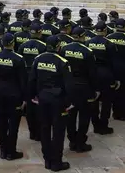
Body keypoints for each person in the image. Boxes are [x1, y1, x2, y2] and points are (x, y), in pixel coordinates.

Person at [29, 32, 75, 172]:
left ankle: (47, 159)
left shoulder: (38, 59)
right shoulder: (63, 62)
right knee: (58, 131)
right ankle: (56, 162)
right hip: (57, 100)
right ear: (58, 46)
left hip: (42, 98)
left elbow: (32, 79)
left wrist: (33, 96)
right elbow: (69, 85)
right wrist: (68, 103)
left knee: (44, 129)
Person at [60, 27, 98, 153]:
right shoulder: (88, 51)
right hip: (84, 87)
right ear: (83, 36)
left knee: (70, 115)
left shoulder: (64, 49)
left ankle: (72, 140)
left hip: (69, 86)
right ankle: (80, 142)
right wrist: (95, 89)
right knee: (84, 115)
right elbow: (92, 73)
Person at [0, 33, 26, 160]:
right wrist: (24, 99)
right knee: (13, 125)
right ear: (13, 43)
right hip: (14, 95)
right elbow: (23, 81)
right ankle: (11, 152)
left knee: (1, 124)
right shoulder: (18, 58)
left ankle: (3, 150)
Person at [87, 22, 118, 135]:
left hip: (93, 74)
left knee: (94, 100)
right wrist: (115, 78)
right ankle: (103, 125)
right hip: (106, 74)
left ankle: (96, 124)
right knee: (106, 101)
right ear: (105, 30)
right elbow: (114, 63)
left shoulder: (88, 42)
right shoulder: (109, 44)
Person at [19, 23, 47, 141]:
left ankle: (32, 132)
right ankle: (39, 132)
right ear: (40, 32)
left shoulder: (23, 45)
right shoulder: (43, 46)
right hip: (38, 77)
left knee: (29, 105)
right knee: (39, 105)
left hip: (26, 76)